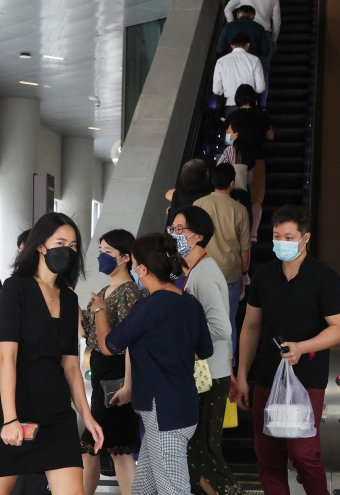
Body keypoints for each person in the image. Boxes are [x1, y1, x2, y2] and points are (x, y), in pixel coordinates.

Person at [0, 212, 103, 494]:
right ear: (40, 245)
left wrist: (87, 416)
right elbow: (7, 358)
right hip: (17, 409)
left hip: (57, 415)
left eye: (73, 246)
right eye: (60, 242)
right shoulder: (15, 289)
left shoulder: (70, 299)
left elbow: (71, 367)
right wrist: (10, 418)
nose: (67, 250)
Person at [236, 205, 340, 495]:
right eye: (277, 236)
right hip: (266, 376)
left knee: (304, 453)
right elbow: (250, 327)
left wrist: (303, 347)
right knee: (267, 453)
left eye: (289, 236)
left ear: (305, 238)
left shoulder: (324, 278)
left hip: (306, 378)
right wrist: (242, 375)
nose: (282, 242)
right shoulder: (263, 276)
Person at [95, 233, 213, 495]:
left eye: (135, 264)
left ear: (144, 269)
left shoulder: (147, 306)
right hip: (183, 404)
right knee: (144, 488)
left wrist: (100, 310)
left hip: (163, 410)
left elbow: (109, 345)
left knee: (174, 490)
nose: (134, 270)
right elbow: (204, 350)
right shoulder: (190, 303)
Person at [167, 207, 242, 495]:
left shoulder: (205, 274)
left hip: (209, 374)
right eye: (172, 228)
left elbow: (222, 328)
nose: (174, 234)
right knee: (197, 452)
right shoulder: (196, 271)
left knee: (205, 451)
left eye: (180, 230)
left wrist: (189, 347)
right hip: (208, 372)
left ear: (199, 236)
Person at [80, 230, 143, 495]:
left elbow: (130, 342)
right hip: (102, 375)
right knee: (98, 445)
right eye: (101, 250)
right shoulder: (106, 290)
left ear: (125, 258)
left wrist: (128, 384)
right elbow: (86, 330)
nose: (101, 256)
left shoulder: (130, 292)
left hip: (116, 375)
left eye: (108, 252)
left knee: (114, 447)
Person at [193, 168, 251, 354]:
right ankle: (227, 369)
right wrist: (244, 274)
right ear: (232, 183)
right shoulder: (240, 209)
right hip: (230, 273)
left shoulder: (198, 205)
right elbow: (245, 248)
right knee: (228, 322)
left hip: (201, 272)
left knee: (200, 319)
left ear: (212, 181)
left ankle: (200, 365)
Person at [225, 84, 274, 236]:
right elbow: (271, 136)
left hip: (237, 160)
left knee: (236, 196)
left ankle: (236, 231)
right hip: (258, 158)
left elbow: (228, 141)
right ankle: (253, 234)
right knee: (256, 199)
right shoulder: (262, 115)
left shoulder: (232, 117)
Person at [216, 6, 273, 89]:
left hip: (231, 65)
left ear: (238, 14)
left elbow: (220, 49)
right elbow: (266, 51)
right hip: (252, 65)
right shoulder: (259, 28)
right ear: (253, 16)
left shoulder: (228, 27)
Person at [212, 32, 265, 115]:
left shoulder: (220, 61)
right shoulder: (255, 60)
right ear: (248, 44)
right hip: (249, 106)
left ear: (232, 46)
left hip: (229, 105)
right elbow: (261, 88)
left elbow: (216, 90)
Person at [166, 159, 213, 225]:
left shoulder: (179, 193)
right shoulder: (211, 192)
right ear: (205, 175)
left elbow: (172, 218)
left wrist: (170, 211)